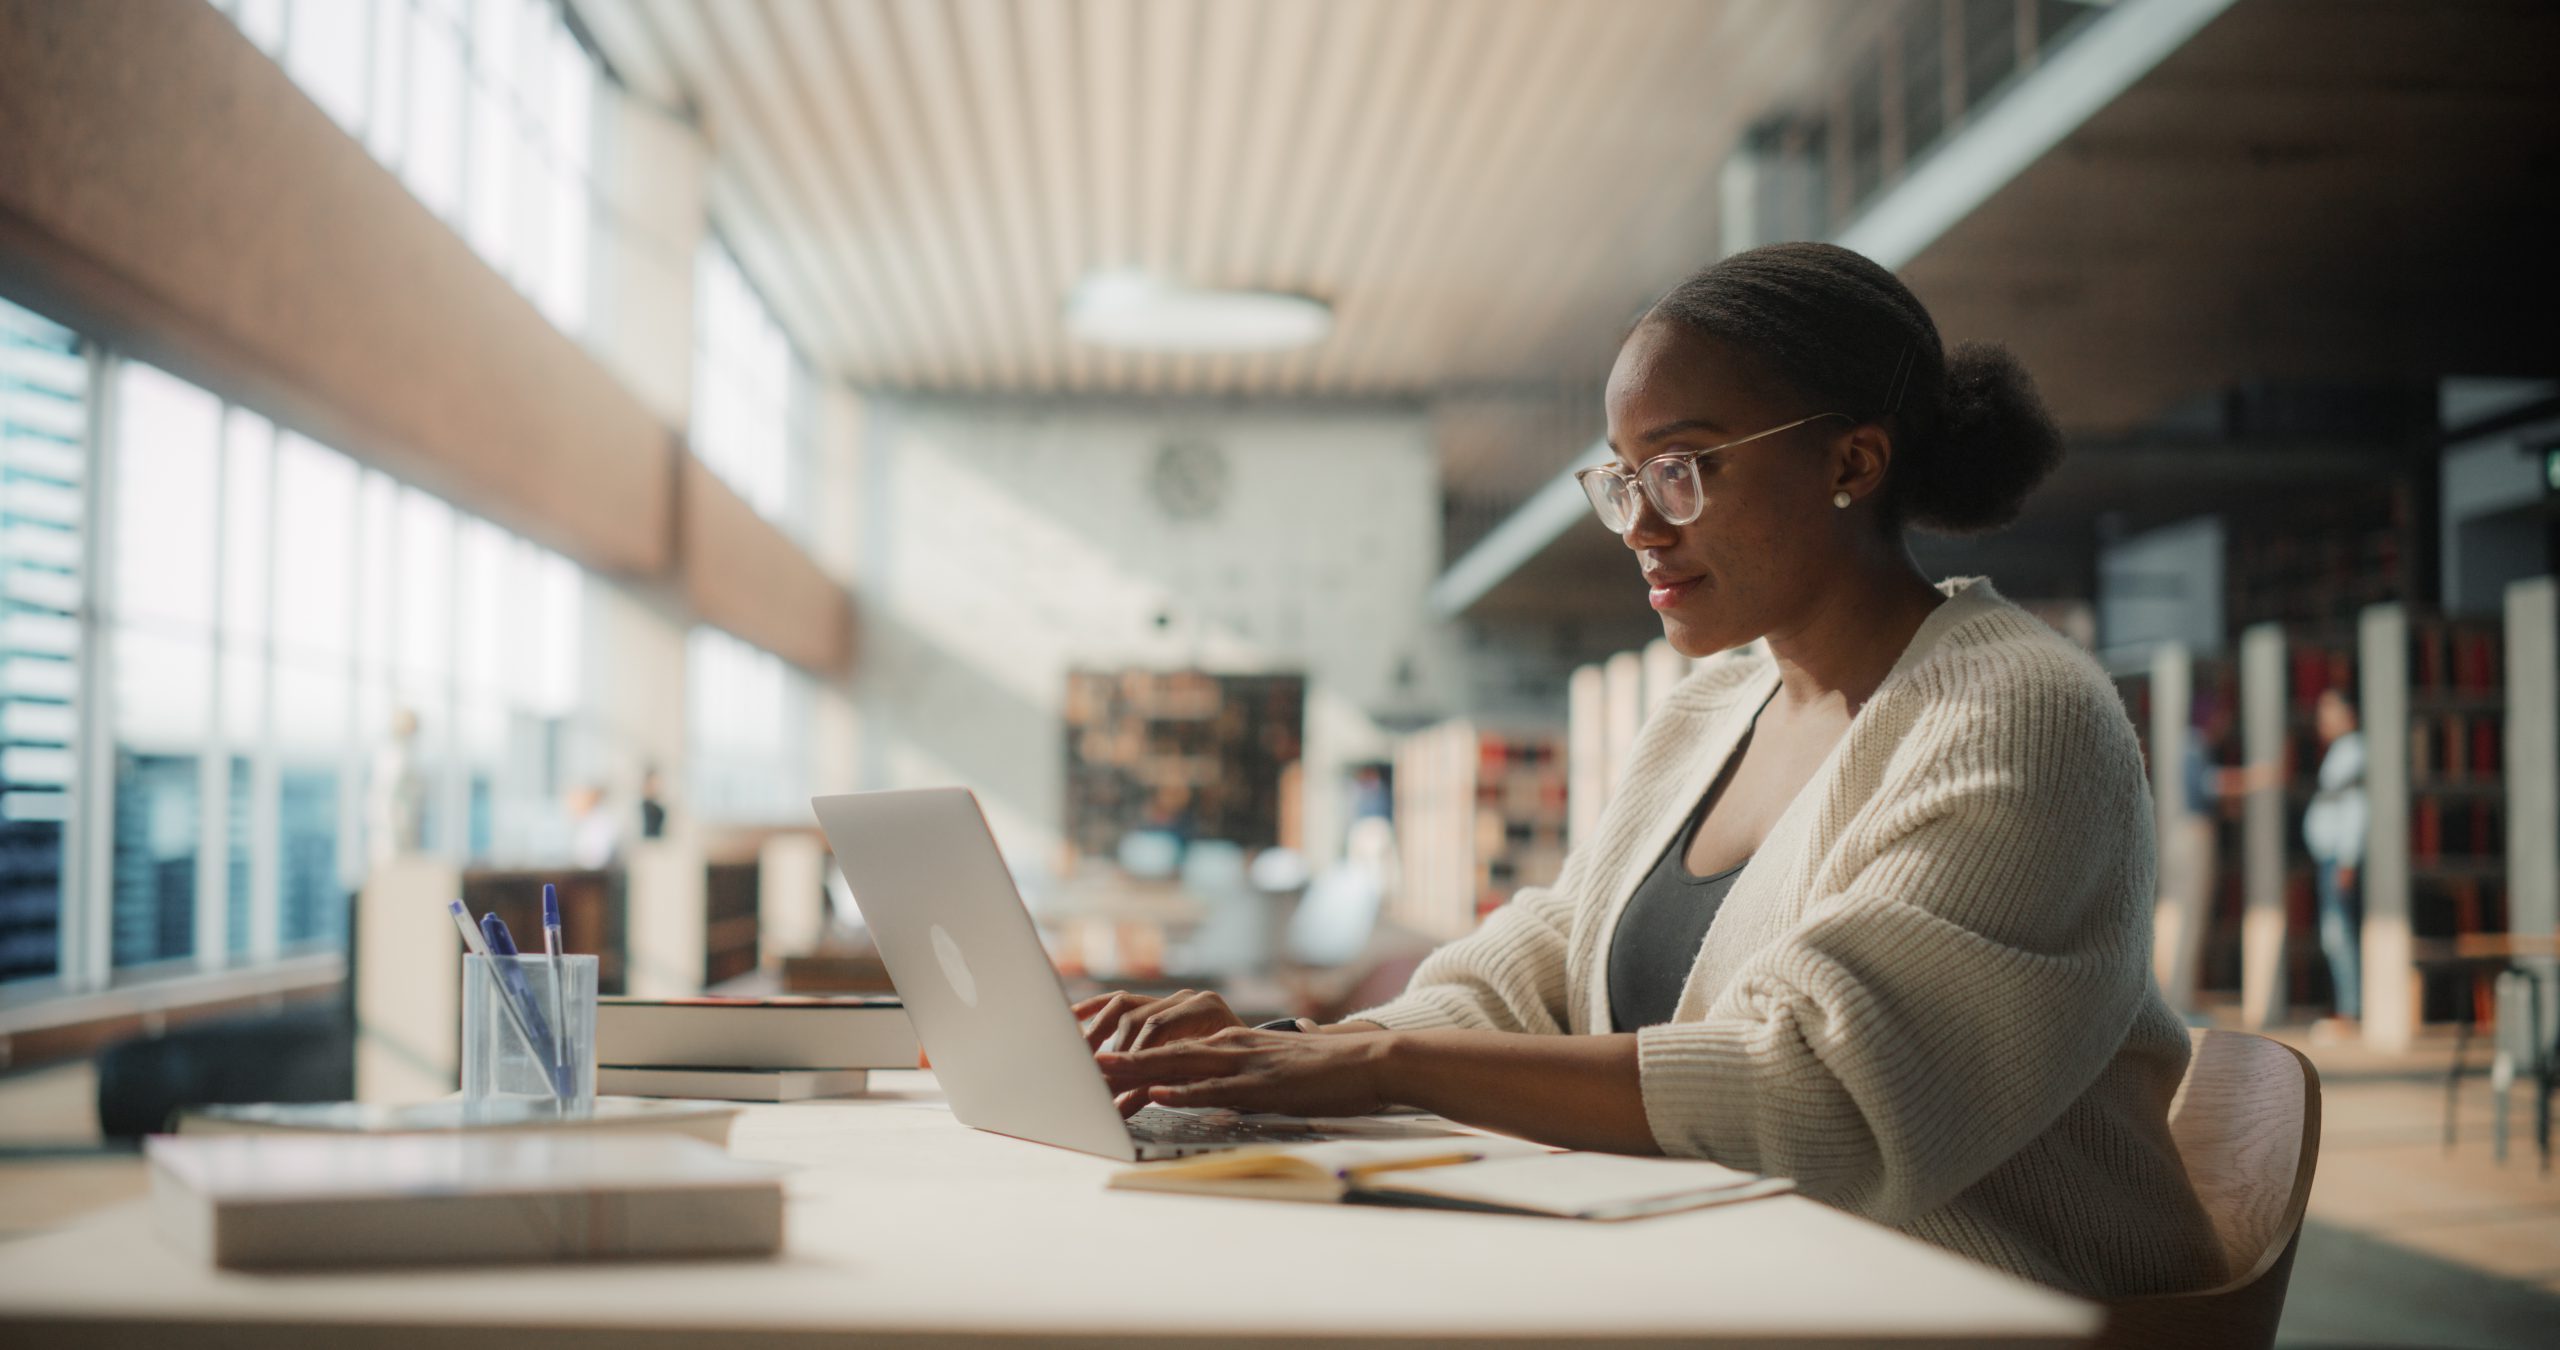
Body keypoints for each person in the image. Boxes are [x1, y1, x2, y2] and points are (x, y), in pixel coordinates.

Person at [1074, 242, 2224, 1299]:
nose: (1637, 525)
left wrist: (1378, 1060)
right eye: (1622, 478)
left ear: (1852, 462)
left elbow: (1823, 1096)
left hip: (1981, 1305)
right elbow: (1546, 960)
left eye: (1682, 468)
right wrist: (1295, 1055)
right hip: (1731, 1273)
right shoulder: (1715, 703)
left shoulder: (2018, 713)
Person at [2301, 686, 2368, 1031]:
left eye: (2330, 711)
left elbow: (2356, 810)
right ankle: (2347, 1007)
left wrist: (2348, 858)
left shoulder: (2354, 751)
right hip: (2330, 858)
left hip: (2339, 860)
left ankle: (2350, 1011)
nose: (2322, 720)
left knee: (2339, 934)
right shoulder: (2340, 751)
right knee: (2334, 933)